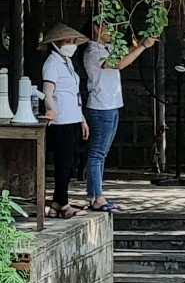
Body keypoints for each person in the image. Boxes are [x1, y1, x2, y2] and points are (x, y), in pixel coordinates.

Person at [83, 20, 155, 212]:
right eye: (107, 27)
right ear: (96, 29)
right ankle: (97, 197)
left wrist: (141, 39)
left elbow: (124, 53)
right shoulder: (94, 51)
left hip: (112, 105)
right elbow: (120, 64)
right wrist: (143, 46)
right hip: (101, 107)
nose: (112, 32)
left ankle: (96, 194)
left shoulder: (107, 47)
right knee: (97, 153)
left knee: (101, 153)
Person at [40, 23, 88, 219]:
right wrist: (51, 110)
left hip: (72, 117)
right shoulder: (51, 64)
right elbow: (48, 92)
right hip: (61, 121)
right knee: (63, 163)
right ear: (57, 43)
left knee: (68, 162)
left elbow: (73, 93)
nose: (72, 44)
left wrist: (82, 118)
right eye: (68, 41)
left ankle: (57, 203)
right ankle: (63, 202)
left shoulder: (67, 63)